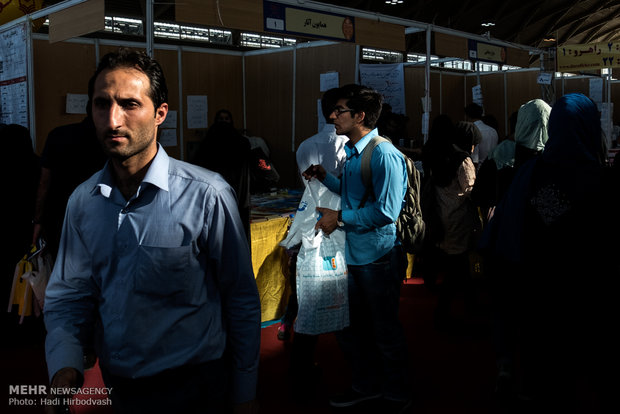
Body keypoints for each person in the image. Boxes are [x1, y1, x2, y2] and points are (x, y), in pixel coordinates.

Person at [43, 48, 261, 414]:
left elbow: (240, 298)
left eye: (129, 104)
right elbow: (68, 293)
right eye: (101, 104)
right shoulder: (84, 201)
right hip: (119, 384)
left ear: (160, 113)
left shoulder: (207, 195)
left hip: (196, 386)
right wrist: (64, 365)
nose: (113, 120)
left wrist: (245, 393)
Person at [481, 93, 612, 411]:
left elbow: (532, 224)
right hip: (587, 285)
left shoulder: (535, 171)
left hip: (536, 279)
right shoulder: (601, 176)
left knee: (541, 351)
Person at [303, 84, 411, 413]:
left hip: (377, 258)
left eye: (339, 111)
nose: (332, 117)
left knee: (383, 329)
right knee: (350, 327)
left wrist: (340, 217)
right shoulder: (354, 152)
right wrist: (325, 178)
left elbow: (385, 212)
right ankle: (367, 384)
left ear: (359, 116)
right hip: (353, 255)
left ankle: (396, 392)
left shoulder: (383, 154)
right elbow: (355, 194)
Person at [283, 87, 349, 399]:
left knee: (308, 296)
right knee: (344, 298)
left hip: (311, 225)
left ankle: (301, 367)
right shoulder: (352, 147)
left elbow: (308, 186)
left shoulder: (306, 145)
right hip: (341, 226)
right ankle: (353, 368)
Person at [32, 116, 106, 258]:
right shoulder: (110, 141)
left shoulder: (58, 135)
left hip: (58, 216)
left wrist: (38, 220)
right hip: (97, 219)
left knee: (61, 267)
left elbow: (44, 183)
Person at [191, 109, 252, 241]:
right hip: (214, 199)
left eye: (226, 119)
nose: (224, 122)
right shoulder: (207, 144)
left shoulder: (241, 143)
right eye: (221, 119)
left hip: (237, 198)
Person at [465, 102, 498, 167]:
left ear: (467, 116)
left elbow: (474, 160)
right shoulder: (493, 131)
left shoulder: (472, 131)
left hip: (479, 171)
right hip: (493, 170)